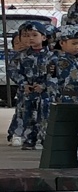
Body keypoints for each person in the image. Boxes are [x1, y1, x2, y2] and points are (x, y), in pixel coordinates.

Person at [12, 21, 50, 151]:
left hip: (45, 93)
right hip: (28, 91)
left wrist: (44, 85)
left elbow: (56, 74)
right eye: (27, 35)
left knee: (45, 115)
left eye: (34, 35)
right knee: (27, 115)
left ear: (43, 37)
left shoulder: (51, 56)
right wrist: (23, 83)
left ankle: (45, 139)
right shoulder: (22, 56)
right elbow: (14, 71)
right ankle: (29, 139)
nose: (31, 38)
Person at [47, 23, 78, 104]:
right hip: (64, 101)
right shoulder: (56, 59)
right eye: (74, 43)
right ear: (62, 43)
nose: (77, 47)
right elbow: (51, 81)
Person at [7, 24, 27, 144]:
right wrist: (23, 83)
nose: (20, 45)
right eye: (16, 43)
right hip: (24, 89)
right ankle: (15, 133)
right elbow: (12, 71)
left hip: (40, 88)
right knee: (21, 111)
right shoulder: (16, 58)